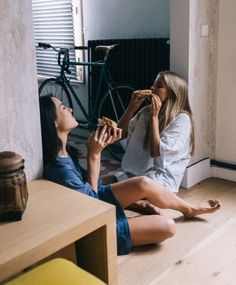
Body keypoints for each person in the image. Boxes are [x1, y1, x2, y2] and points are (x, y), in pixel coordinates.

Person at [39, 94, 220, 256]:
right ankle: (125, 225)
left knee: (143, 182)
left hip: (94, 201)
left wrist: (136, 202)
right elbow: (90, 207)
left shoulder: (65, 152)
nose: (70, 108)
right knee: (168, 226)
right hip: (92, 224)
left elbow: (91, 185)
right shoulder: (58, 169)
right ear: (52, 121)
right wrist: (94, 156)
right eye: (63, 107)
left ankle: (188, 209)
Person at [107, 71, 195, 194]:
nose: (152, 88)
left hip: (160, 180)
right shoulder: (146, 111)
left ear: (173, 93)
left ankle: (146, 204)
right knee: (95, 184)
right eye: (153, 85)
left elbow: (156, 152)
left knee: (108, 193)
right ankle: (142, 203)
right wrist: (131, 107)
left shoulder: (182, 119)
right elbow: (119, 134)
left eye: (158, 86)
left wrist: (155, 117)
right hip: (133, 173)